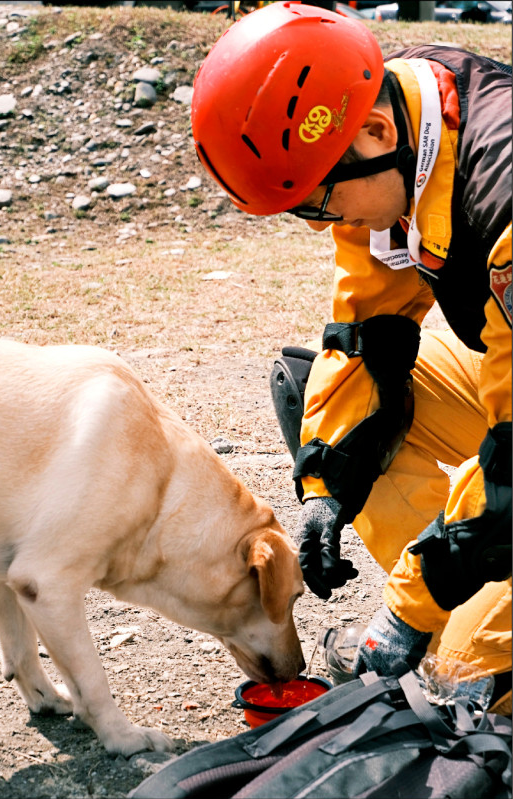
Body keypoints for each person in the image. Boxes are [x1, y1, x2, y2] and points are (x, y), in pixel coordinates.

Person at [190, 1, 512, 711]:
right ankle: (467, 604)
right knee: (344, 401)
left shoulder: (504, 194)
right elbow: (367, 333)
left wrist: (408, 608)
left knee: (462, 678)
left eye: (318, 203)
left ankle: (456, 630)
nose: (323, 223)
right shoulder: (417, 112)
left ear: (373, 133)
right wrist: (325, 491)